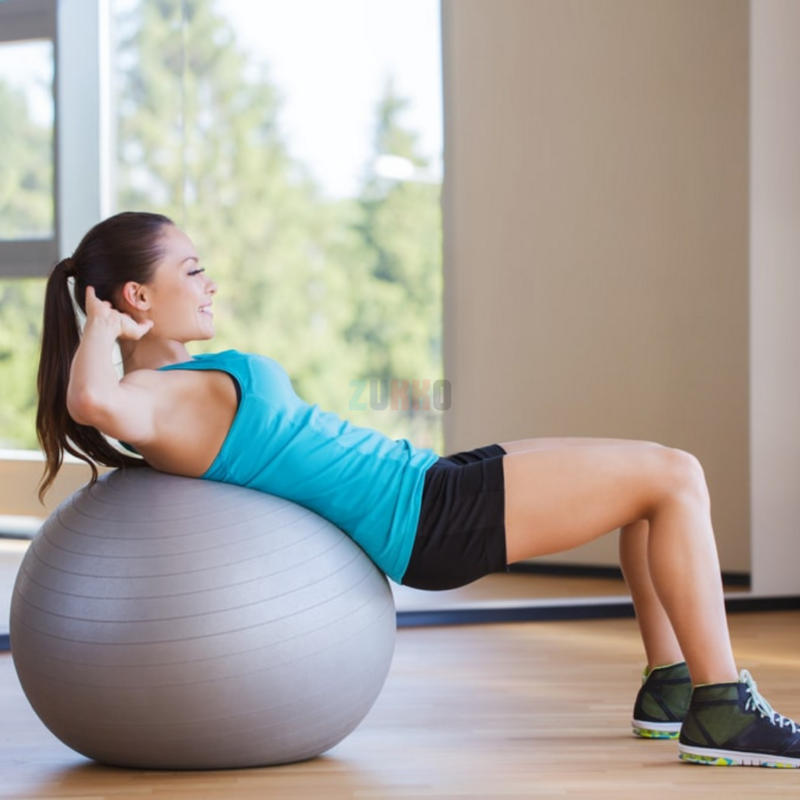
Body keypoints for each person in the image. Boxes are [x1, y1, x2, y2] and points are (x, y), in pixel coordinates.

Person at [36, 210, 799, 768]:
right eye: (191, 269)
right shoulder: (153, 397)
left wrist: (109, 330)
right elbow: (92, 404)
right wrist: (99, 329)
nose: (209, 282)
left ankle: (673, 687)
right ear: (137, 297)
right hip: (425, 519)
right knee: (676, 478)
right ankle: (722, 708)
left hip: (426, 480)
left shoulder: (171, 384)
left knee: (654, 474)